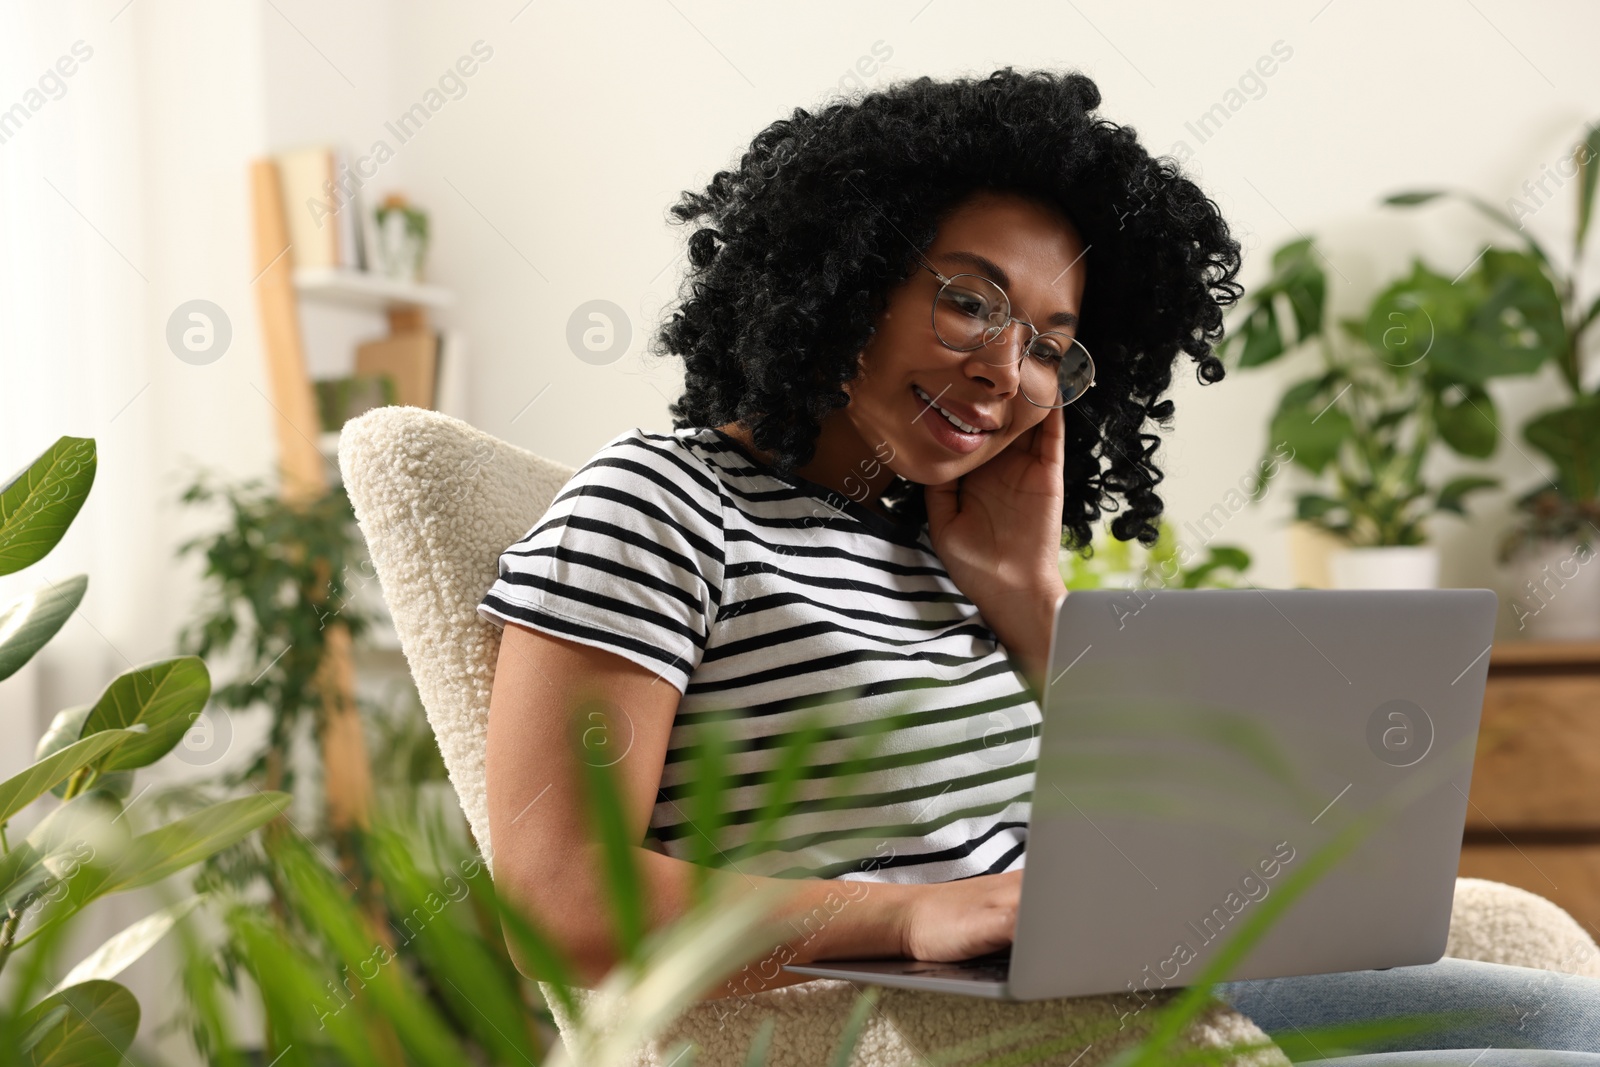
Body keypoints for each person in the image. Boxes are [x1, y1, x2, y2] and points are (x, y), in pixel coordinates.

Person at [476, 68, 1600, 1060]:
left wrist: (1029, 599)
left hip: (1109, 991)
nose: (1004, 370)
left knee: (1572, 1027)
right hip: (957, 1028)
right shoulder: (659, 506)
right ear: (843, 270)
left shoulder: (943, 540)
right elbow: (560, 893)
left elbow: (1187, 826)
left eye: (1053, 348)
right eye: (968, 300)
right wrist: (912, 918)